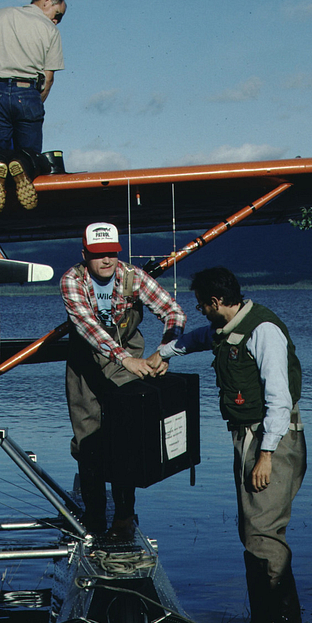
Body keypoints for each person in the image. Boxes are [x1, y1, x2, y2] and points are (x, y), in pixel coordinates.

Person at [149, 266, 306, 623]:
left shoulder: (263, 330)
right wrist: (163, 352)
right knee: (253, 531)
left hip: (272, 439)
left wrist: (266, 454)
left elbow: (279, 400)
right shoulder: (230, 327)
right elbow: (201, 338)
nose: (202, 311)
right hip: (249, 438)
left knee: (263, 535)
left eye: (203, 305)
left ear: (216, 301)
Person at [60, 222, 185, 539]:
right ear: (85, 253)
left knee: (125, 437)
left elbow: (173, 312)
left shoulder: (132, 277)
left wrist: (165, 351)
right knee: (88, 442)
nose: (107, 261)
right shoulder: (72, 281)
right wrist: (125, 358)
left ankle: (125, 515)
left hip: (129, 360)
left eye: (112, 254)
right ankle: (94, 517)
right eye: (99, 255)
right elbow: (88, 327)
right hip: (85, 363)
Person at [0, 0, 66, 214]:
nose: (57, 21)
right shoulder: (50, 30)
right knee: (31, 155)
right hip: (28, 92)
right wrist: (37, 102)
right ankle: (22, 163)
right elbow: (48, 77)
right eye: (58, 14)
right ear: (47, 1)